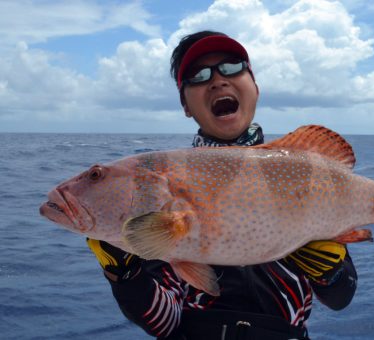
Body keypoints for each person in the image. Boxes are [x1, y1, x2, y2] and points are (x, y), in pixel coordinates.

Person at [87, 31, 358, 340]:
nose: (217, 80)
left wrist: (330, 272)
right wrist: (125, 275)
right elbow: (165, 322)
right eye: (198, 75)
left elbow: (341, 298)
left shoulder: (300, 174)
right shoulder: (160, 190)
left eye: (231, 67)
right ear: (185, 104)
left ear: (255, 87)